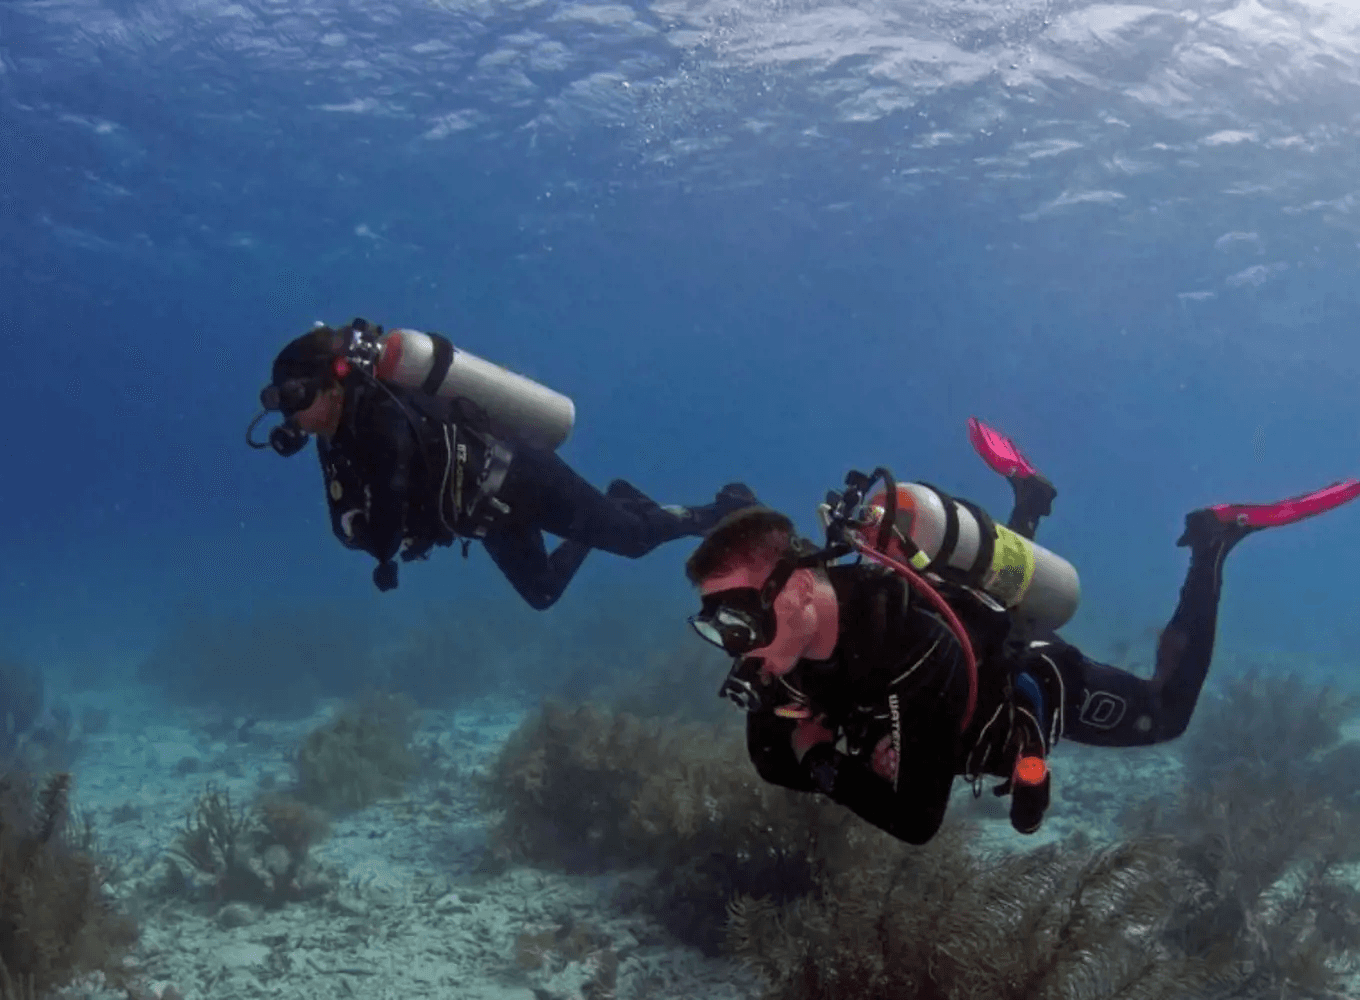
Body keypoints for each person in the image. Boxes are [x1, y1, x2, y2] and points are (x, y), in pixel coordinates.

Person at [683, 418, 1360, 844]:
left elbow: (915, 821)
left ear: (800, 588)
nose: (734, 647)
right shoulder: (776, 649)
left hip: (1034, 684)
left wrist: (825, 757)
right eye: (715, 625)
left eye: (738, 620)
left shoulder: (914, 648)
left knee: (1168, 715)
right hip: (950, 665)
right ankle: (1030, 499)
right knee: (972, 596)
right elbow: (771, 763)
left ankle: (1216, 542)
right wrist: (845, 762)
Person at [247, 318, 758, 609]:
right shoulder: (335, 435)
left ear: (334, 383)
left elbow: (390, 496)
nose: (292, 413)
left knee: (633, 541)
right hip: (486, 513)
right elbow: (351, 514)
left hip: (522, 477)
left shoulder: (380, 415)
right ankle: (618, 501)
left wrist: (380, 551)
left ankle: (718, 511)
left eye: (297, 397)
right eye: (282, 401)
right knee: (542, 593)